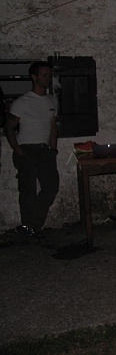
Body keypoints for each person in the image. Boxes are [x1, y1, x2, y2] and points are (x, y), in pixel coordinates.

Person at [4, 60, 59, 238]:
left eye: (49, 75)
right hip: (27, 149)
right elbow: (9, 128)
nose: (48, 78)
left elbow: (53, 127)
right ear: (34, 77)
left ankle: (34, 225)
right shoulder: (22, 102)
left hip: (44, 151)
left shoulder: (52, 100)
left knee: (51, 187)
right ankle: (29, 228)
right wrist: (19, 151)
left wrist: (53, 149)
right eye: (44, 75)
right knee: (28, 190)